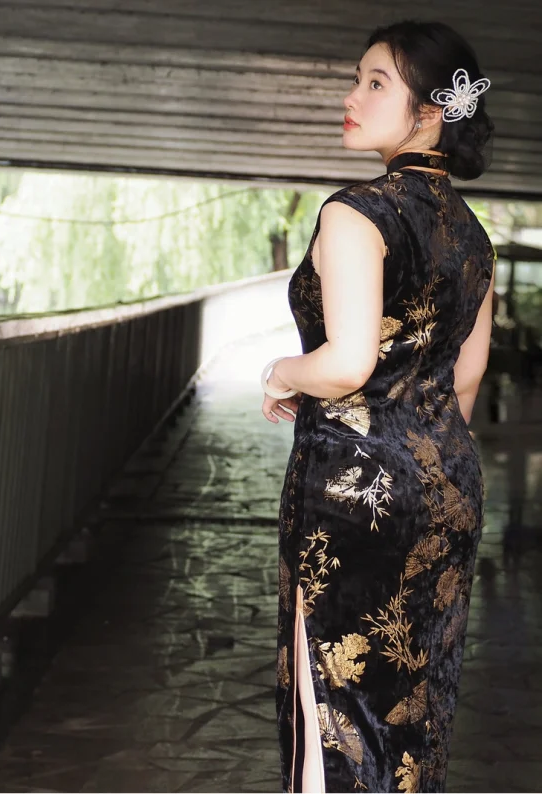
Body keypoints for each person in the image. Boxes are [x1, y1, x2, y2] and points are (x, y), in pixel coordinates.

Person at [260, 19, 496, 794]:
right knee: (411, 716)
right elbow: (464, 380)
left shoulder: (356, 212)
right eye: (356, 79)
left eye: (374, 82)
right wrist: (415, 453)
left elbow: (347, 362)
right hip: (445, 488)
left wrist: (281, 372)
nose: (350, 96)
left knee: (333, 712)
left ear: (429, 111)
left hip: (353, 496)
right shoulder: (471, 238)